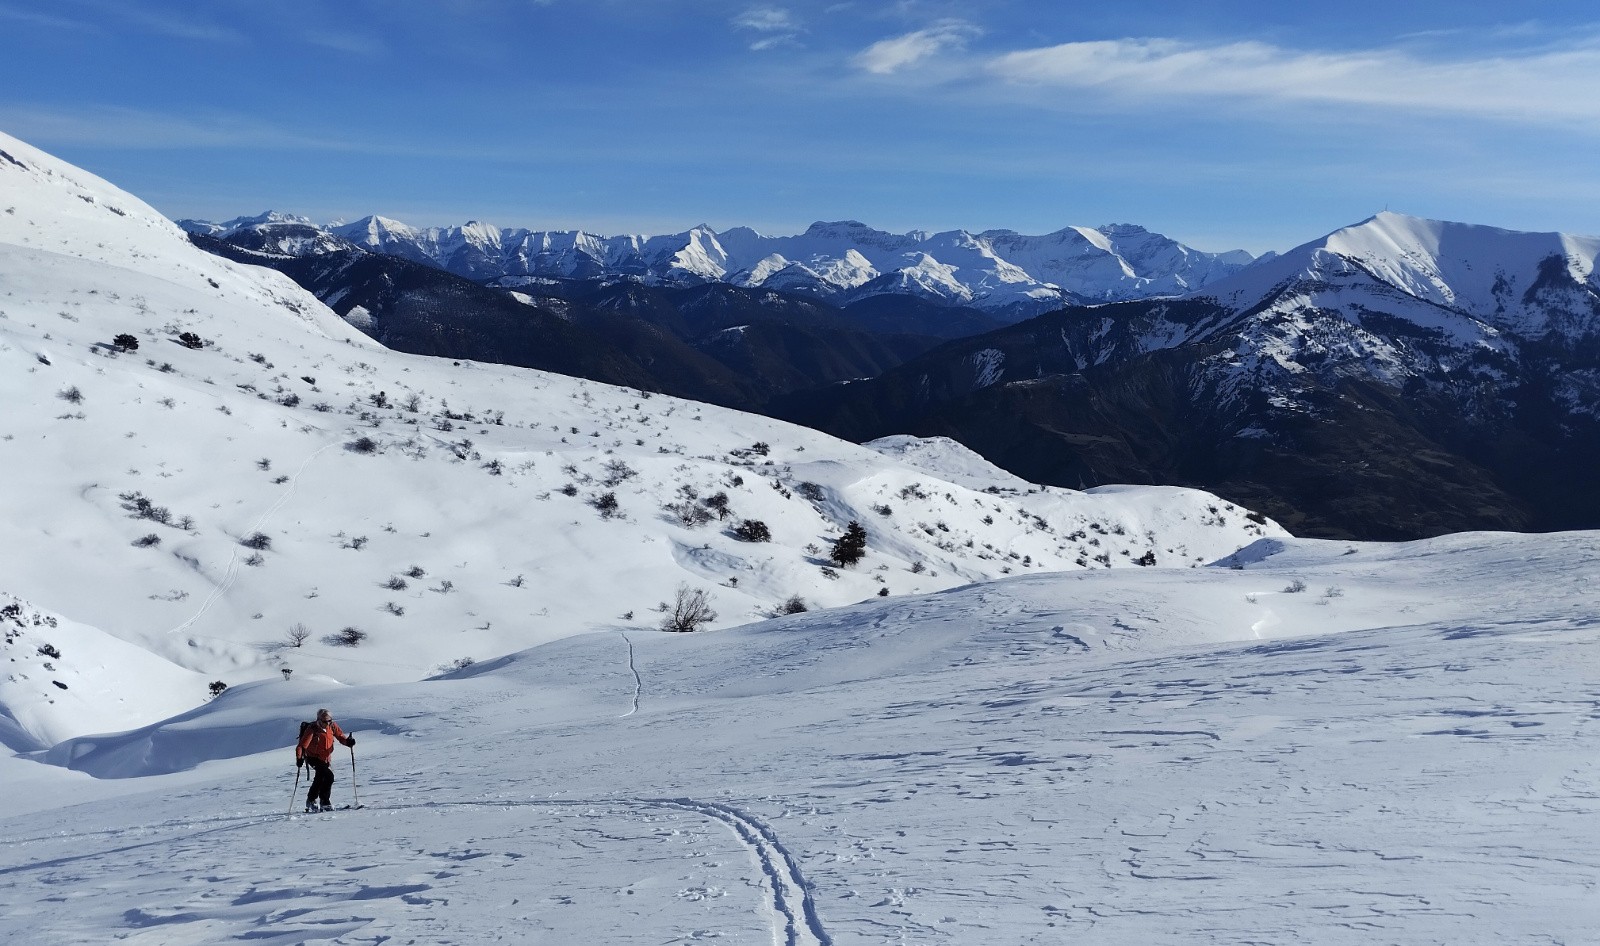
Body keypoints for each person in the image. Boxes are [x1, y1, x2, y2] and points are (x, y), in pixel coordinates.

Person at [296, 708, 355, 812]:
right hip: (313, 757)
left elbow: (340, 737)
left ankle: (312, 800)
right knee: (328, 776)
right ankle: (324, 801)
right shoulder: (312, 729)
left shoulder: (332, 726)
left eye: (329, 720)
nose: (327, 723)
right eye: (325, 721)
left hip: (326, 758)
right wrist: (299, 758)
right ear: (318, 720)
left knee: (320, 778)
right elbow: (301, 746)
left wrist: (348, 742)